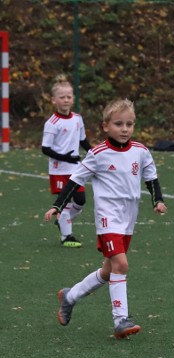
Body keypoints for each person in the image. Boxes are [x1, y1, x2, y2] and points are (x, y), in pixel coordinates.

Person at [43, 98, 167, 339]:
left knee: (109, 271)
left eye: (129, 124)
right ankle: (121, 320)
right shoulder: (98, 154)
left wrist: (157, 201)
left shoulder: (141, 151)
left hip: (128, 220)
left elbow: (151, 178)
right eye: (119, 124)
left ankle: (70, 296)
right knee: (121, 264)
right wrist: (58, 205)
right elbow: (75, 180)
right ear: (105, 126)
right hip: (107, 219)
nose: (124, 129)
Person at [41, 76, 92, 247]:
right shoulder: (52, 123)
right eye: (62, 97)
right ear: (54, 100)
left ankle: (63, 220)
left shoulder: (77, 118)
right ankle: (66, 237)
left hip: (75, 167)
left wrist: (94, 153)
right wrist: (66, 157)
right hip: (59, 169)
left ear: (73, 98)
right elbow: (45, 148)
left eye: (69, 96)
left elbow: (83, 140)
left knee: (80, 200)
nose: (66, 100)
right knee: (66, 201)